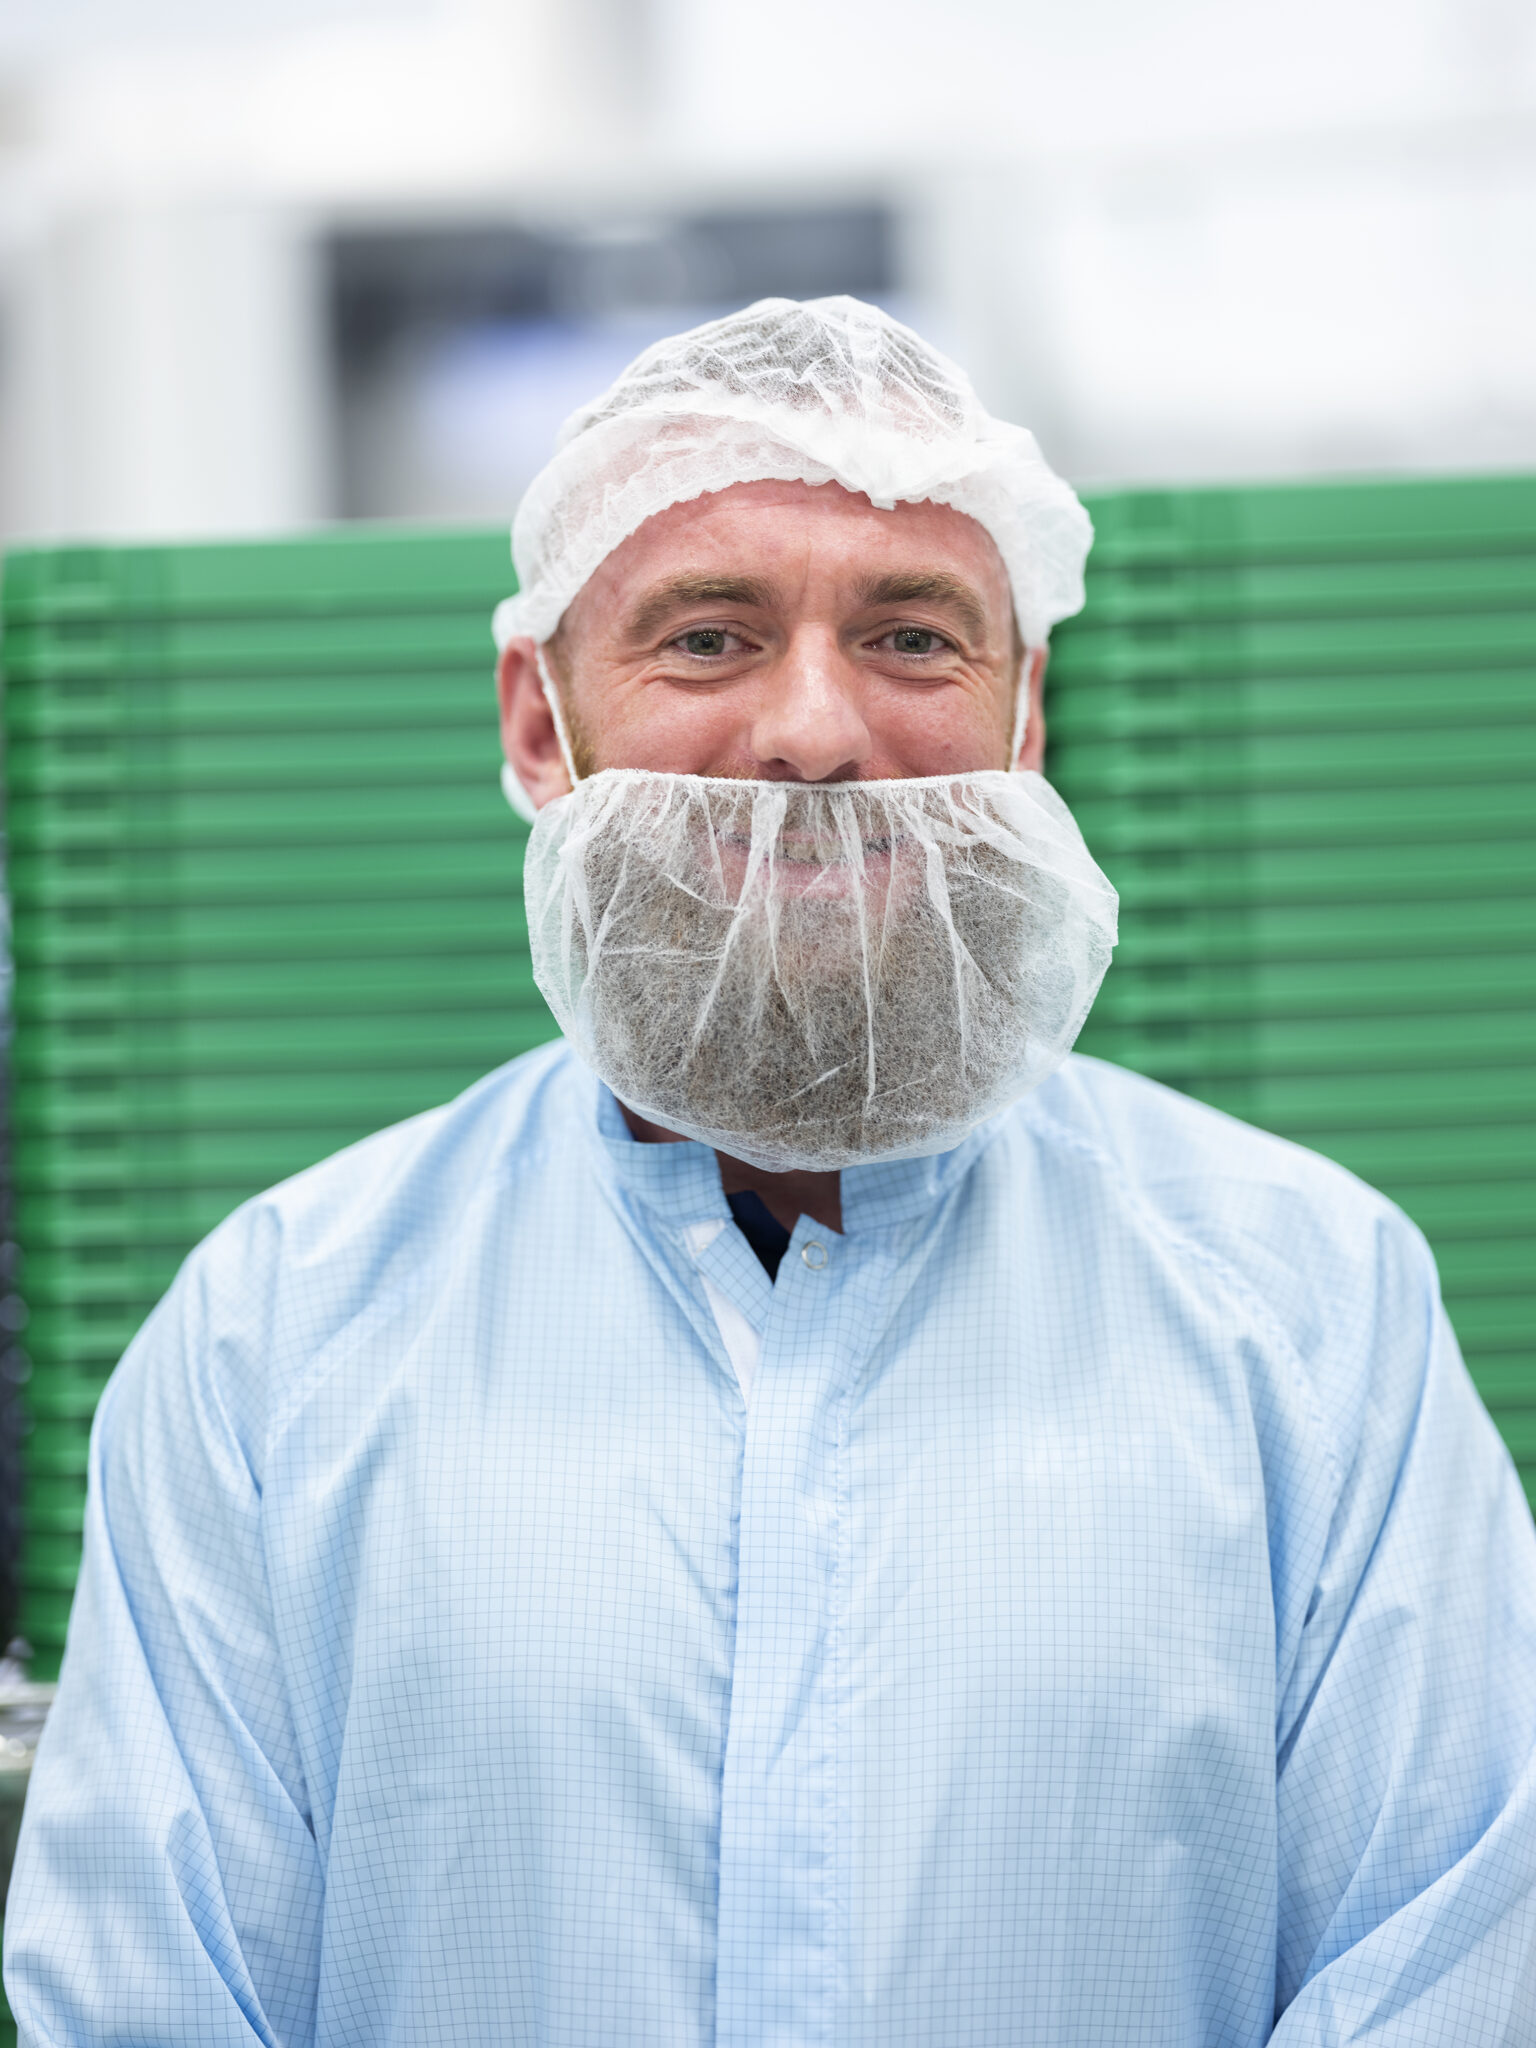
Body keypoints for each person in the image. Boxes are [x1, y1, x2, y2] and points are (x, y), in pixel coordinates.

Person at [6, 297, 1535, 2047]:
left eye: (910, 636)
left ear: (1023, 719)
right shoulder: (274, 1345)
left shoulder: (1314, 1315)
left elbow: (1452, 1973)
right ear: (536, 722)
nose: (813, 731)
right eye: (711, 637)